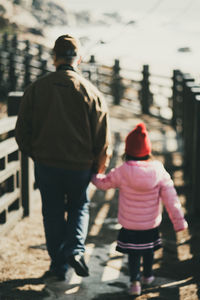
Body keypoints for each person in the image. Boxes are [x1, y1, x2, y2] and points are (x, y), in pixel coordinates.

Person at [15, 34, 111, 280]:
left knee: (53, 212)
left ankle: (58, 266)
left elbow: (22, 130)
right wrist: (98, 166)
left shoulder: (36, 88)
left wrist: (35, 153)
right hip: (79, 166)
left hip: (46, 163)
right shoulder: (92, 93)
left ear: (54, 58)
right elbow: (102, 139)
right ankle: (76, 251)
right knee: (79, 206)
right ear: (78, 59)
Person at [92, 122, 188, 296]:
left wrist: (93, 176)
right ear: (147, 151)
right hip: (150, 224)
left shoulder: (122, 171)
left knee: (134, 254)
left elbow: (103, 183)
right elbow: (171, 198)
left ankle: (134, 282)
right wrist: (179, 221)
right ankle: (148, 276)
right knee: (148, 250)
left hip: (129, 224)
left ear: (127, 151)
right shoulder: (158, 170)